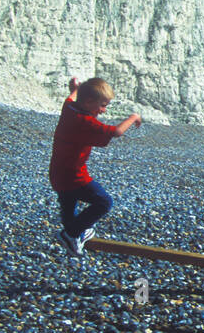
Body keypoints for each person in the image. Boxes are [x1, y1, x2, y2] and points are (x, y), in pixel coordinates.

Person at [49, 76, 141, 257]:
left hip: (57, 174)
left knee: (69, 210)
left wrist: (75, 88)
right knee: (104, 202)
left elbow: (72, 97)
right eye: (102, 105)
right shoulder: (85, 122)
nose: (104, 111)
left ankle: (72, 238)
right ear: (88, 101)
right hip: (75, 177)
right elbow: (116, 131)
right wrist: (133, 117)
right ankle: (71, 234)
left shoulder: (69, 108)